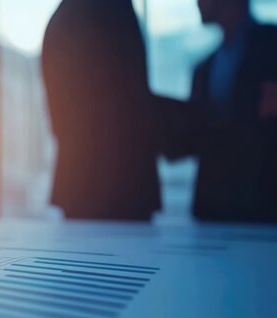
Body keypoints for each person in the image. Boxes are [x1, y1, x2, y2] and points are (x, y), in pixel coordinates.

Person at [42, 0, 161, 221]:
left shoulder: (64, 16)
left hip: (83, 183)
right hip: (119, 182)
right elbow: (127, 98)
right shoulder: (109, 8)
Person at [183, 0, 277, 222]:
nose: (197, 3)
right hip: (214, 208)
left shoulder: (271, 46)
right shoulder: (204, 66)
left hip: (263, 205)